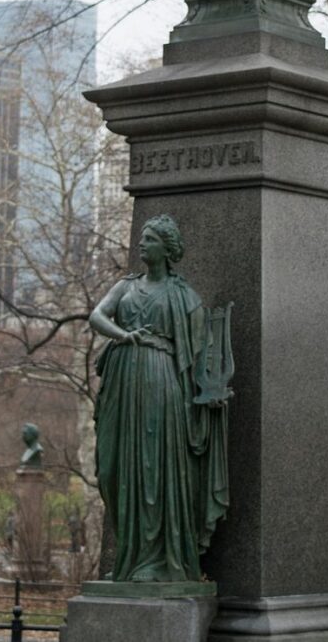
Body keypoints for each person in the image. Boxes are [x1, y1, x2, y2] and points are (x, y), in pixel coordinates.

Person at [88, 214, 232, 583]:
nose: (142, 244)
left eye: (149, 239)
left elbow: (204, 351)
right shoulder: (126, 286)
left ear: (167, 250)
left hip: (159, 381)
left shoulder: (183, 296)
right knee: (113, 468)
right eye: (143, 237)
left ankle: (156, 562)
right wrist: (123, 335)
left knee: (153, 468)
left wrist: (210, 391)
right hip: (122, 381)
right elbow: (97, 316)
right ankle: (127, 557)